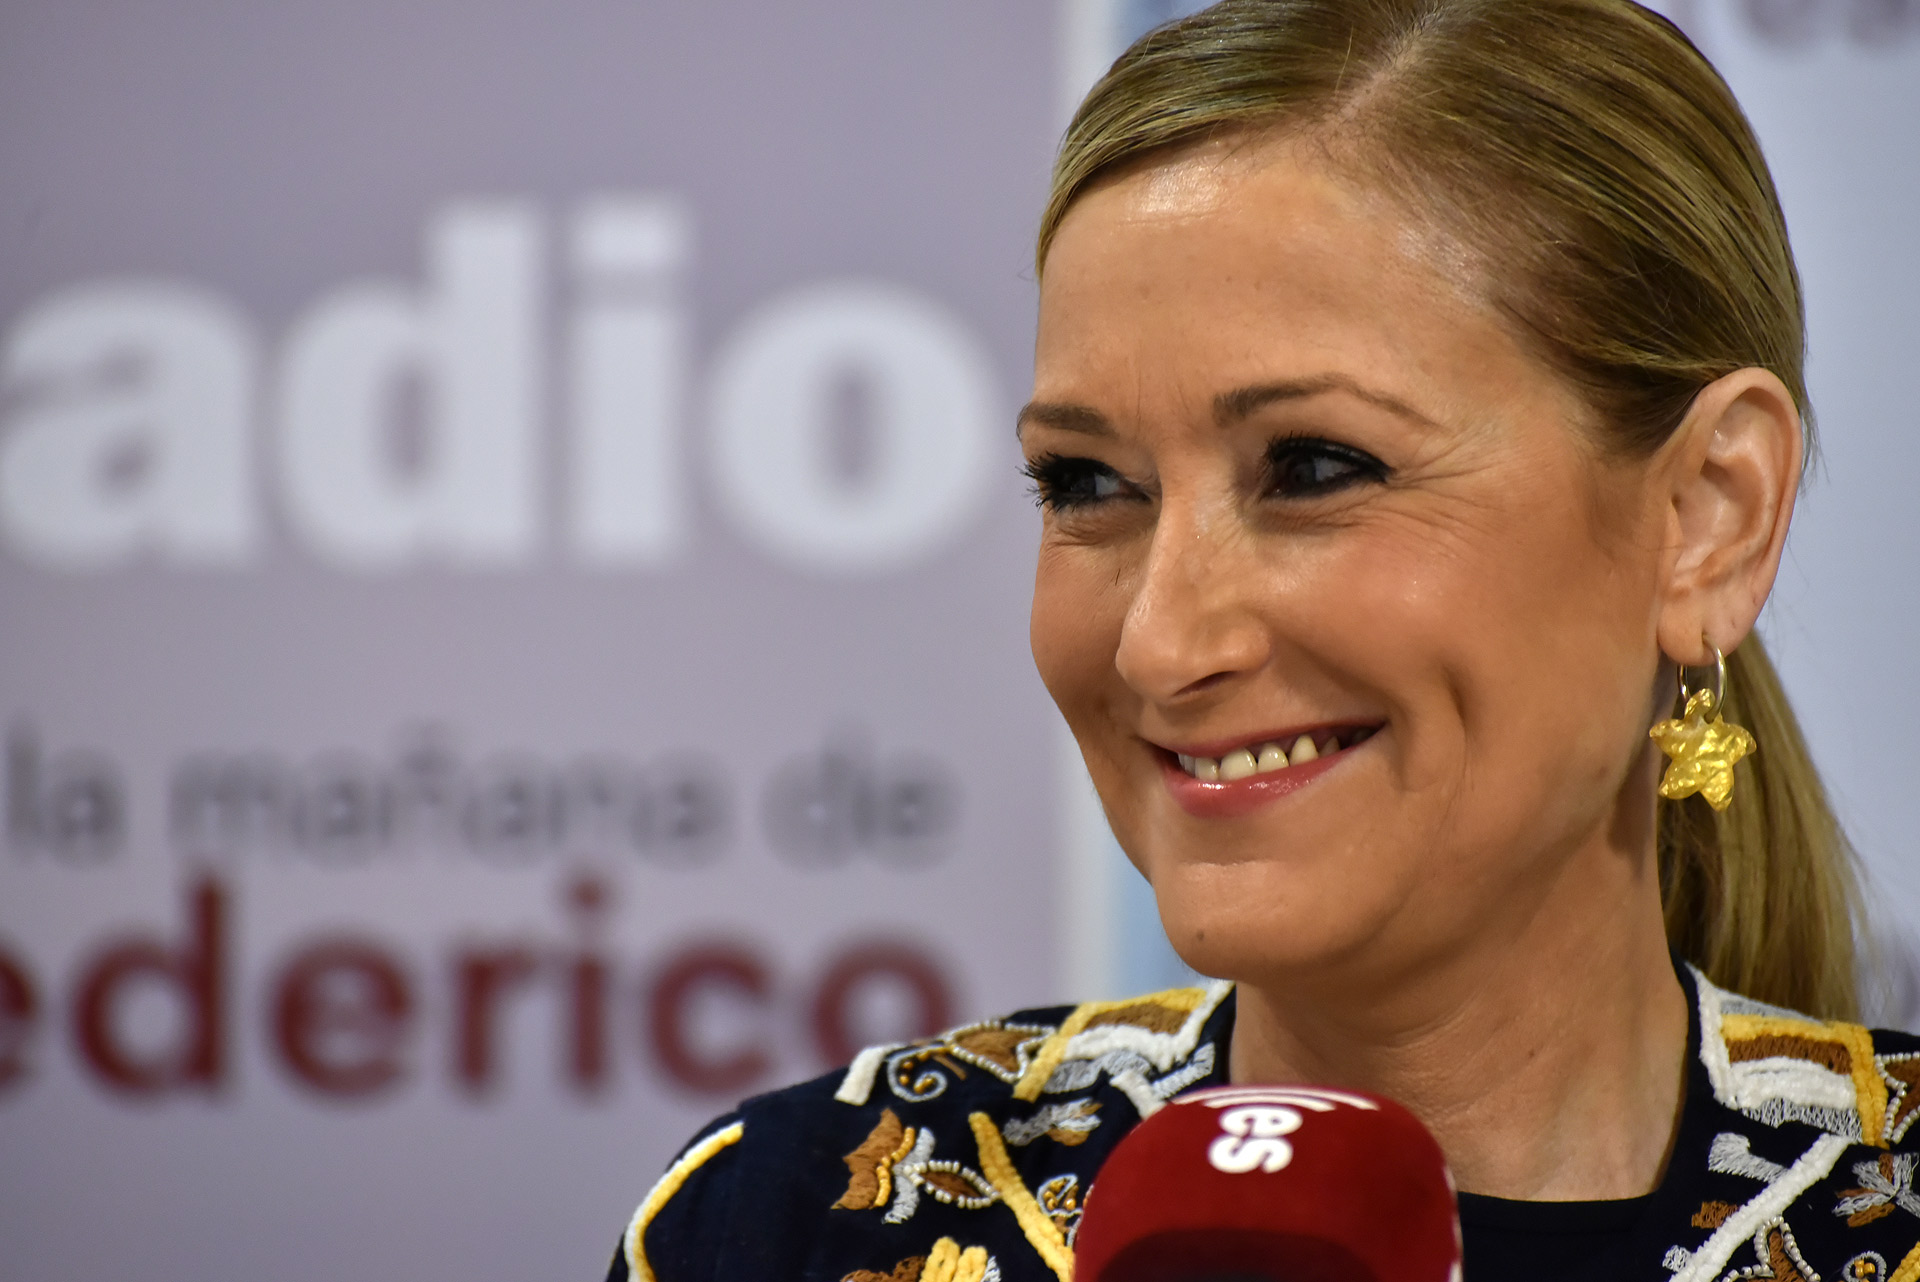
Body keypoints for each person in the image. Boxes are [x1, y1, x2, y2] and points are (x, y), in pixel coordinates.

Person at [605, 2, 1920, 1279]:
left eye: (1315, 466)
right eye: (1086, 484)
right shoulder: (800, 1222)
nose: (1159, 641)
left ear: (1707, 520)